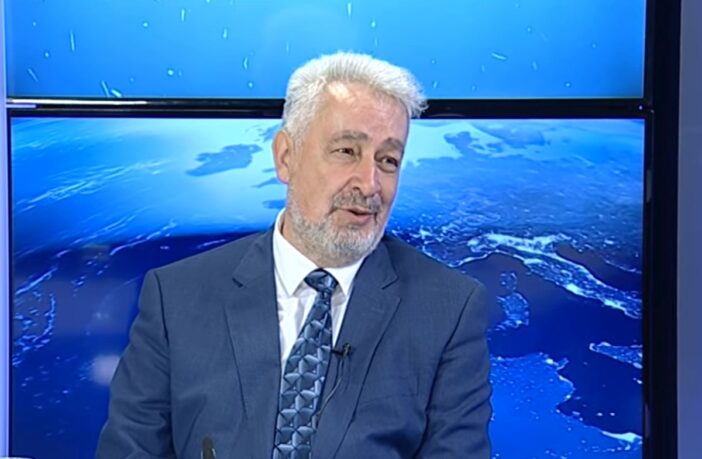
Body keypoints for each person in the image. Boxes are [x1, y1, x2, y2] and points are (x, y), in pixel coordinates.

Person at [96, 52, 491, 458]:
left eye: (388, 160)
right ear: (286, 156)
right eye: (346, 151)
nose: (370, 183)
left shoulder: (448, 309)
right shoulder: (177, 296)